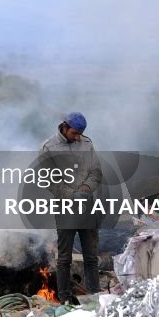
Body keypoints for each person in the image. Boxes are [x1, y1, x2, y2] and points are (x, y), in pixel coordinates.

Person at [39, 111, 102, 305]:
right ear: (64, 127)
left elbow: (96, 172)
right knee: (64, 258)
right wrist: (71, 194)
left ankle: (95, 297)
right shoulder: (49, 147)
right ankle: (64, 298)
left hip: (87, 207)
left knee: (91, 256)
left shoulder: (87, 144)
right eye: (74, 133)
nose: (77, 137)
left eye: (80, 134)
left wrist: (86, 188)